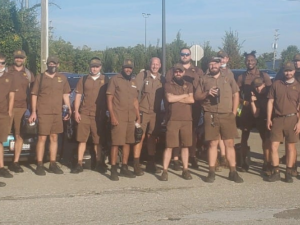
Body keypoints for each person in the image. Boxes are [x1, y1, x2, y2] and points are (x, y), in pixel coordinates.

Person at [195, 57, 243, 183]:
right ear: (208, 66)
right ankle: (211, 172)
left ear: (219, 64)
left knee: (229, 144)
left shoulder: (228, 77)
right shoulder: (203, 79)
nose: (213, 66)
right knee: (212, 144)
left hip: (227, 115)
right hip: (210, 115)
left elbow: (236, 94)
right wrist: (207, 93)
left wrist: (234, 112)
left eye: (215, 64)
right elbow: (197, 96)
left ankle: (233, 171)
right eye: (210, 64)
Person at [28, 56, 71, 176]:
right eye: (50, 63)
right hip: (43, 112)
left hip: (57, 113)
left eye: (54, 64)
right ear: (47, 65)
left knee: (54, 138)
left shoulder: (62, 78)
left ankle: (53, 164)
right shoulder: (40, 77)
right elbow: (34, 95)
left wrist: (69, 109)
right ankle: (39, 164)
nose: (52, 65)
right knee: (42, 138)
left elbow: (65, 95)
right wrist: (33, 112)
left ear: (58, 65)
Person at [165, 47, 204, 170]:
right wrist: (184, 97)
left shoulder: (198, 71)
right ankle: (176, 159)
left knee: (191, 133)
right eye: (183, 54)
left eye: (187, 54)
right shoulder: (172, 70)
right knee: (176, 134)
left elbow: (201, 88)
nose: (185, 56)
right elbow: (168, 91)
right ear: (180, 55)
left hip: (194, 106)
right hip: (175, 109)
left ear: (190, 56)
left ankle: (192, 156)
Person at [236, 51, 272, 171]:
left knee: (265, 138)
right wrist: (243, 102)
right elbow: (236, 94)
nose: (249, 62)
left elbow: (271, 94)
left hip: (261, 111)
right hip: (246, 111)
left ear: (256, 61)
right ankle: (244, 162)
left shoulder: (264, 75)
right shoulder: (241, 77)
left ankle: (266, 163)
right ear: (245, 62)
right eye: (247, 60)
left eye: (252, 60)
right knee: (244, 137)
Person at [71, 57, 107, 174]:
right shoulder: (84, 79)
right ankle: (79, 163)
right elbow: (78, 96)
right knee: (82, 140)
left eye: (97, 66)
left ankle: (99, 163)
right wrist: (76, 111)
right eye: (92, 66)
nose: (94, 68)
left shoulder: (105, 79)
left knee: (98, 141)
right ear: (90, 67)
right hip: (84, 113)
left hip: (98, 114)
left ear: (100, 67)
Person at [106, 59, 140, 181]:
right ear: (122, 68)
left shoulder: (134, 81)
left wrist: (138, 116)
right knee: (116, 143)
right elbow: (109, 99)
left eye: (130, 68)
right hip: (118, 116)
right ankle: (114, 169)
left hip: (130, 117)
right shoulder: (115, 80)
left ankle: (124, 167)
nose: (128, 70)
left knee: (128, 143)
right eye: (126, 67)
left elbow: (135, 100)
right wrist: (112, 116)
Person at [266, 61, 300, 183]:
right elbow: (270, 102)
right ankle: (276, 172)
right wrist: (269, 118)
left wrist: (299, 122)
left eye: (290, 70)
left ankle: (288, 172)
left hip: (292, 119)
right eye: (286, 71)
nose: (288, 73)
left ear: (294, 71)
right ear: (283, 72)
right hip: (278, 119)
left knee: (290, 147)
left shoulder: (298, 86)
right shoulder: (276, 84)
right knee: (273, 146)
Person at [160, 63, 194, 181]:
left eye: (180, 71)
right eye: (176, 71)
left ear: (183, 72)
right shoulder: (168, 84)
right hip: (173, 119)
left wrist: (177, 97)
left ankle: (185, 170)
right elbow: (169, 98)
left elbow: (192, 99)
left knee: (185, 146)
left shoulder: (189, 84)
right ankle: (164, 171)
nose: (178, 73)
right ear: (173, 72)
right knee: (169, 146)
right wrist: (184, 95)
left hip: (186, 120)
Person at [133, 57, 164, 175]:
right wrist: (136, 113)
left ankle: (151, 163)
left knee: (152, 137)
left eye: (157, 64)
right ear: (149, 65)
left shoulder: (163, 79)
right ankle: (136, 164)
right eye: (153, 64)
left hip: (155, 113)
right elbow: (134, 95)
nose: (155, 66)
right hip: (143, 111)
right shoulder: (142, 76)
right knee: (140, 136)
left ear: (160, 65)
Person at [7, 50, 35, 173]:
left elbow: (33, 93)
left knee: (19, 135)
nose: (19, 59)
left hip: (22, 108)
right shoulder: (6, 71)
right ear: (13, 58)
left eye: (21, 58)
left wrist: (32, 110)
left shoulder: (28, 74)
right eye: (17, 57)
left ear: (24, 59)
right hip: (6, 108)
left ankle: (15, 162)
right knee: (2, 135)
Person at [0, 53, 17, 186]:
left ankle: (1, 167)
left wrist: (10, 112)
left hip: (3, 113)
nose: (0, 65)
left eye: (2, 63)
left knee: (0, 141)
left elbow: (11, 96)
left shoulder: (9, 77)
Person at [250, 77, 272, 175]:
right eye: (256, 87)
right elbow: (255, 114)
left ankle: (269, 163)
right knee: (265, 142)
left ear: (264, 84)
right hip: (261, 121)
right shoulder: (257, 96)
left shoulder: (270, 93)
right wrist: (252, 102)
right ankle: (266, 162)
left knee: (270, 143)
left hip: (272, 120)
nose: (258, 89)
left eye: (260, 86)